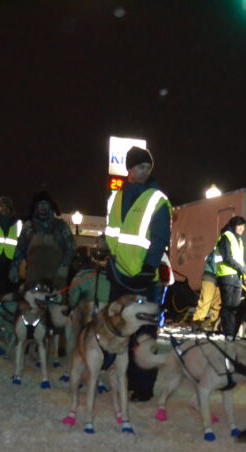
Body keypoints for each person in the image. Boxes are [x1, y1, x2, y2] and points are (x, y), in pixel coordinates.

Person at [103, 145, 172, 399]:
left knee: (144, 334)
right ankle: (120, 377)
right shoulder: (116, 197)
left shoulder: (157, 199)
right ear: (129, 169)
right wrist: (107, 253)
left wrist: (149, 267)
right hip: (119, 274)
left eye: (148, 167)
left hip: (144, 278)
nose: (145, 172)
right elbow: (112, 232)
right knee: (118, 329)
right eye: (140, 167)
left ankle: (143, 386)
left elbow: (160, 237)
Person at [10, 192, 75, 288]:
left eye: (46, 204)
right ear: (35, 207)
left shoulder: (61, 227)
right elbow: (20, 248)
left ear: (51, 206)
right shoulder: (29, 227)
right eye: (40, 204)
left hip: (56, 274)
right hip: (34, 274)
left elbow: (71, 248)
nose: (43, 207)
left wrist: (64, 266)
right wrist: (14, 267)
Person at [214, 216, 246, 340]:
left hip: (237, 277)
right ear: (234, 225)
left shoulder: (238, 240)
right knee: (227, 305)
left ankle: (233, 333)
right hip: (226, 275)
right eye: (239, 226)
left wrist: (244, 271)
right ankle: (228, 332)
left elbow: (239, 258)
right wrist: (240, 268)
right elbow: (227, 257)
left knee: (235, 307)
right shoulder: (226, 237)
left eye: (243, 226)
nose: (242, 228)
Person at [191, 246, 221, 332]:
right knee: (206, 300)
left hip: (219, 276)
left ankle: (210, 324)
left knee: (217, 304)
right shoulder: (220, 248)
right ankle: (197, 322)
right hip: (211, 275)